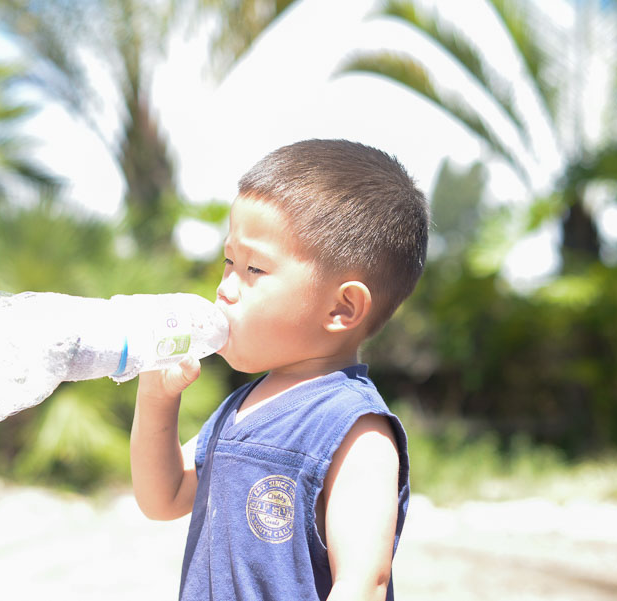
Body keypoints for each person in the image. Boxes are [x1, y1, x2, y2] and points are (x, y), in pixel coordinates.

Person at [129, 139, 429, 601]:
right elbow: (162, 498)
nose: (225, 289)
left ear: (342, 307)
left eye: (253, 269)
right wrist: (157, 399)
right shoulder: (240, 408)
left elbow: (363, 583)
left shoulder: (357, 429)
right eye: (228, 261)